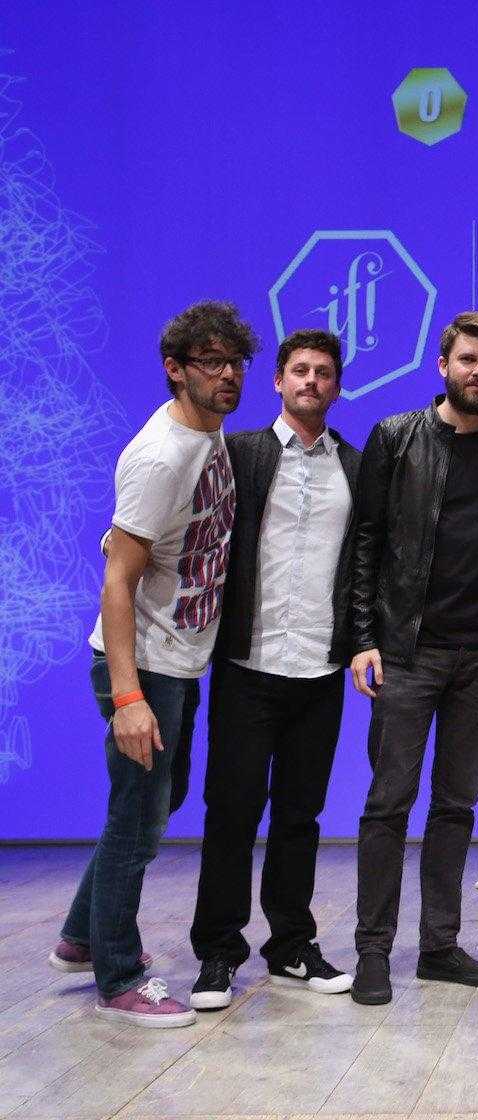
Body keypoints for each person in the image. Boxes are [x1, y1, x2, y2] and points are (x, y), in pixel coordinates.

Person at [50, 301, 251, 1027]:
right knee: (138, 820)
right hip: (144, 667)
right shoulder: (161, 455)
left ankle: (82, 935)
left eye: (235, 363)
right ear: (175, 369)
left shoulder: (208, 435)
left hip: (179, 659)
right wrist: (128, 698)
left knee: (153, 806)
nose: (228, 376)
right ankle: (119, 975)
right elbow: (117, 580)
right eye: (211, 363)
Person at [348, 311, 478, 1005]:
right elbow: (366, 541)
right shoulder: (396, 438)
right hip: (407, 651)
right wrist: (362, 637)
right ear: (442, 365)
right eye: (467, 360)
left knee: (456, 806)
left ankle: (439, 946)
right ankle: (373, 951)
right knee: (388, 804)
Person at [187, 329, 359, 1009]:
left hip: (319, 666)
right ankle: (218, 951)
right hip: (248, 662)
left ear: (336, 386)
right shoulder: (239, 453)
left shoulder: (354, 465)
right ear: (279, 381)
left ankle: (290, 944)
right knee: (231, 812)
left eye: (323, 372)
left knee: (300, 815)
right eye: (300, 370)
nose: (311, 380)